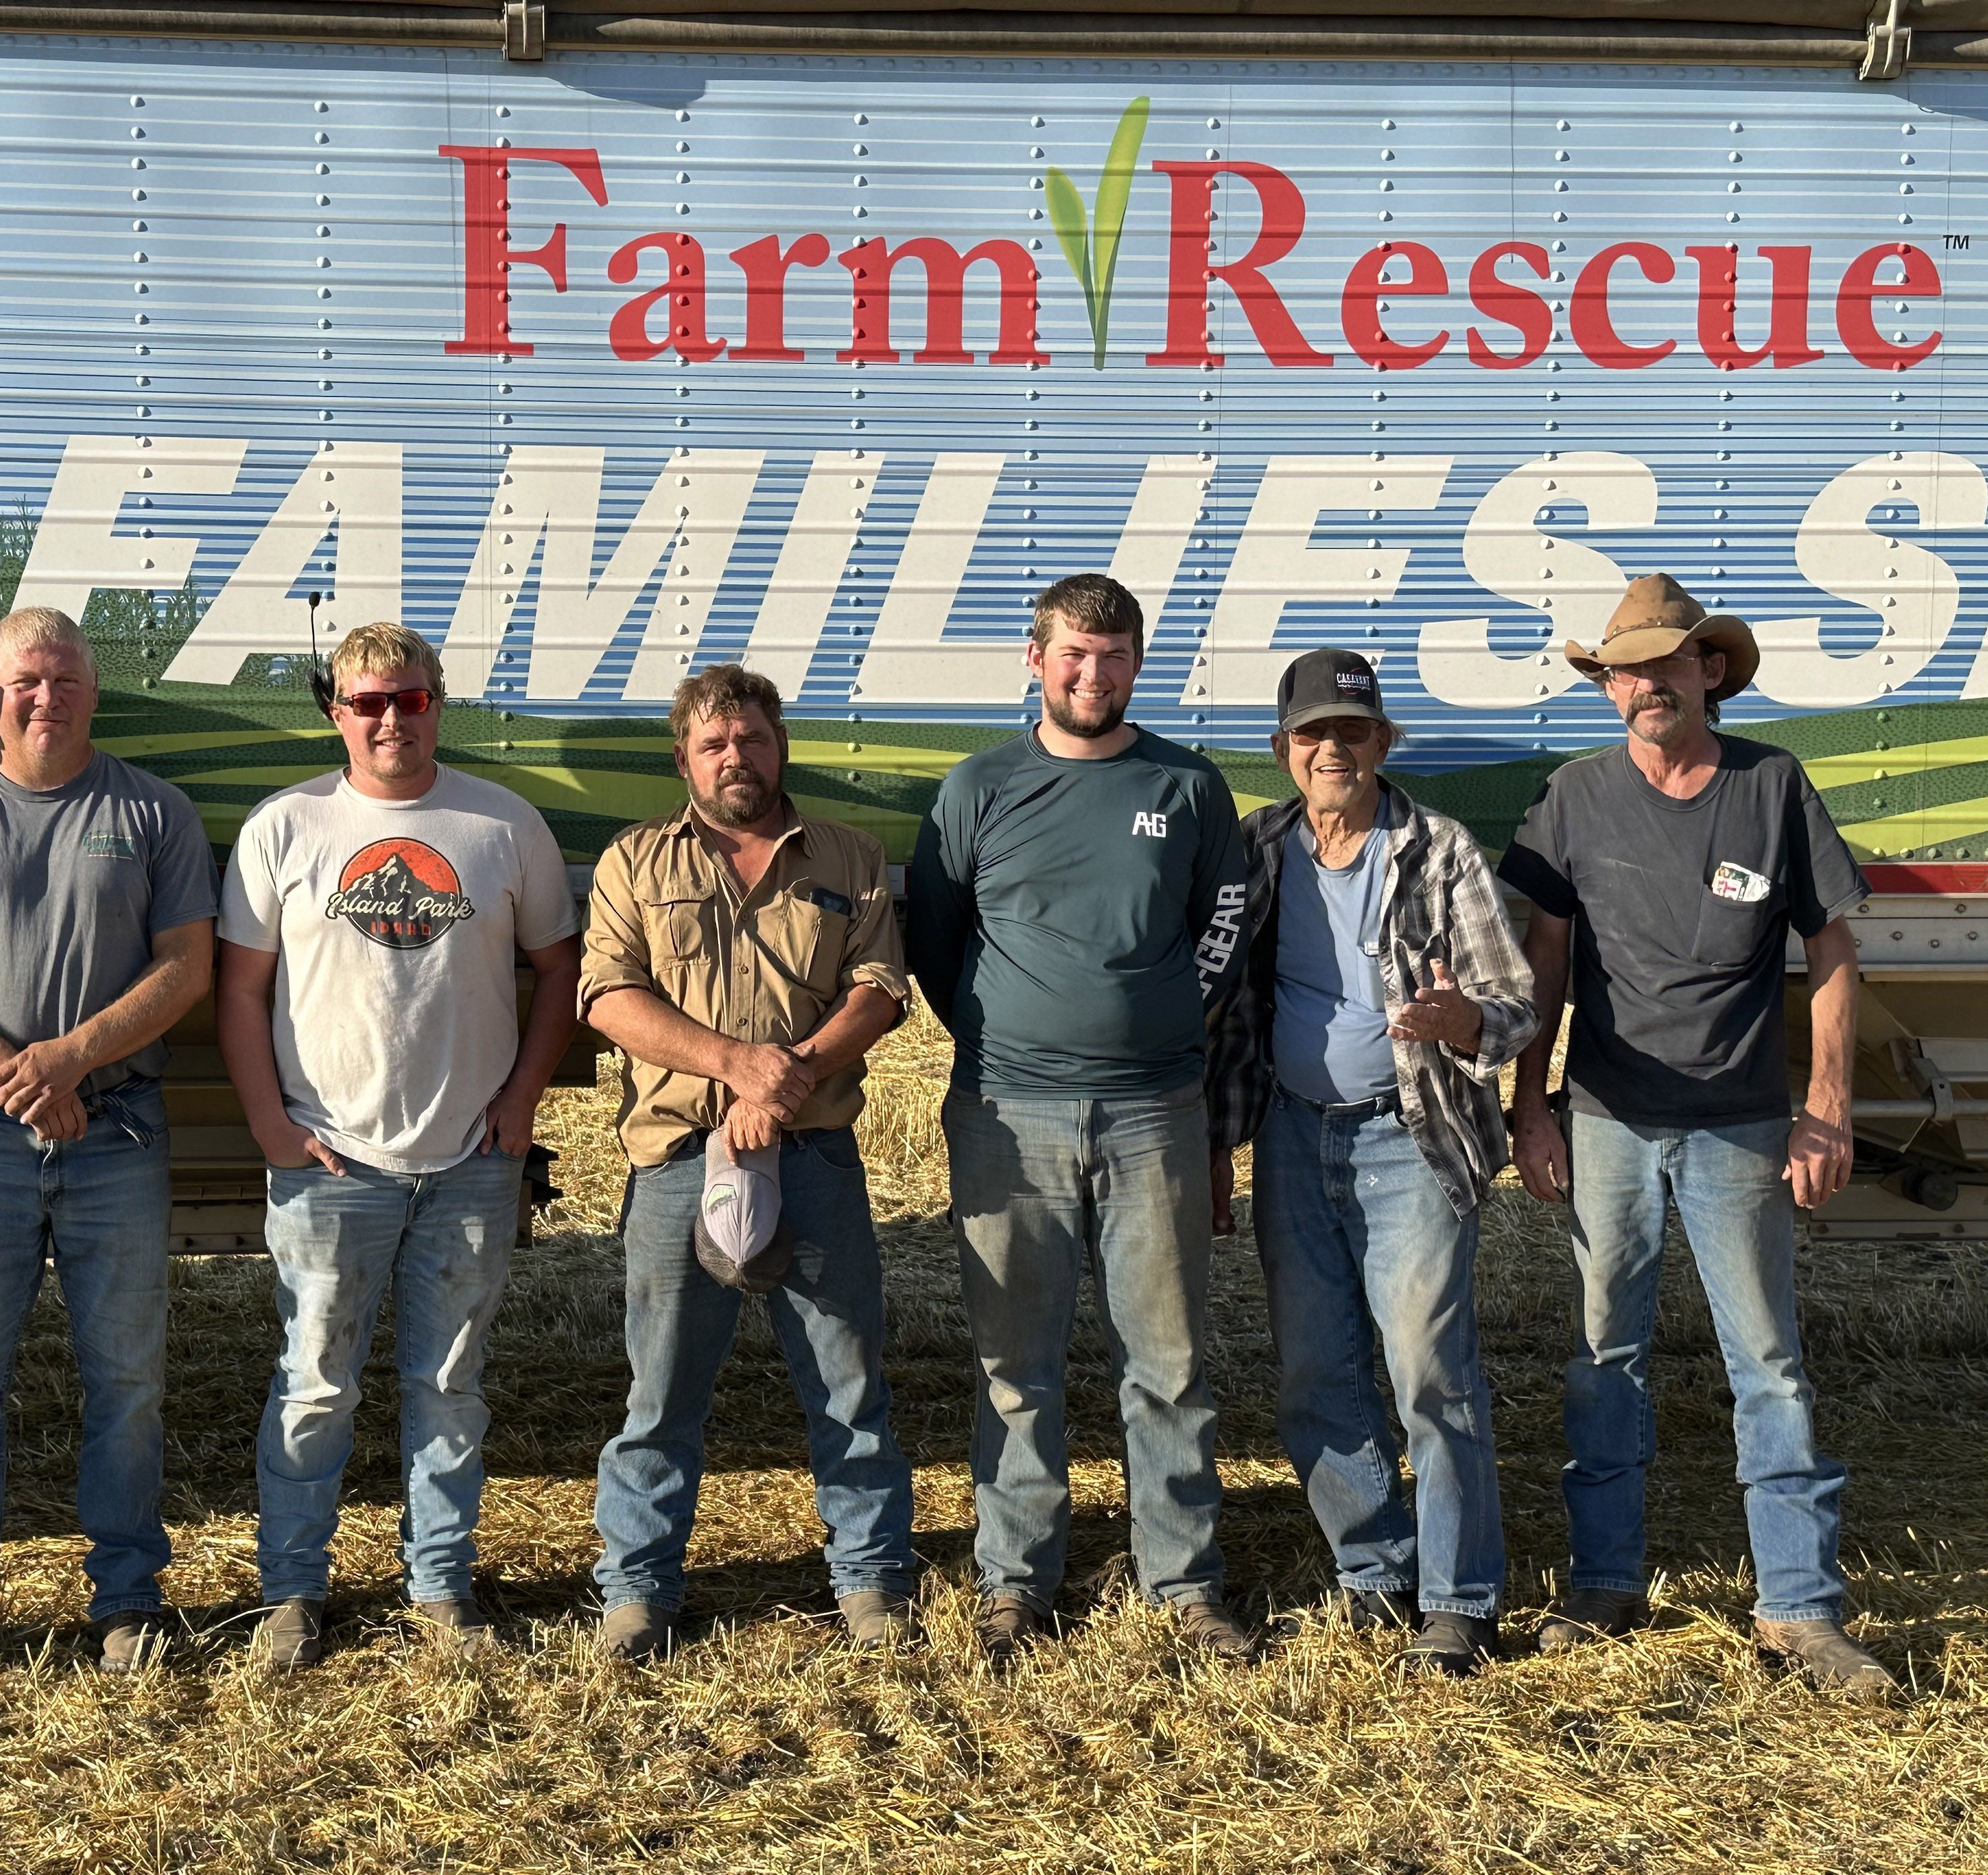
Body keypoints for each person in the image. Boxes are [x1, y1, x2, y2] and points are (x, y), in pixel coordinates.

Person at [1500, 573, 1895, 1700]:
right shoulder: (1573, 798)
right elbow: (1546, 968)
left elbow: (1832, 953)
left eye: (1666, 664)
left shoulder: (1770, 786)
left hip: (1738, 1125)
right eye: (1624, 669)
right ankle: (1604, 1583)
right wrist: (1531, 1106)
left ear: (1708, 672)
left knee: (1766, 1363)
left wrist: (1824, 1108)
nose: (1644, 686)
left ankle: (1800, 1610)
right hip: (1608, 1119)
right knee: (1602, 1359)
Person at [905, 573, 1259, 1667]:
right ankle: (1016, 1581)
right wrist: (1009, 1030)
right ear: (1035, 658)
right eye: (1072, 654)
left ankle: (1184, 1583)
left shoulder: (1188, 788)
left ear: (1136, 666)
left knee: (1168, 1360)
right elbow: (934, 934)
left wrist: (1152, 1021)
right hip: (1008, 1113)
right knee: (1018, 1361)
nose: (1091, 675)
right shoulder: (979, 788)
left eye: (1112, 658)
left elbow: (1226, 926)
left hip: (1156, 1109)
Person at [214, 622, 582, 1670]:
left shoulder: (502, 825)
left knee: (450, 1386)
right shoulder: (285, 828)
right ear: (334, 710)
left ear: (437, 704)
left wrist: (521, 1102)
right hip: (330, 1162)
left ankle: (439, 1583)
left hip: (468, 1161)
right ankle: (292, 1591)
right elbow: (238, 990)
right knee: (314, 1385)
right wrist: (267, 1123)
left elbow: (559, 970)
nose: (389, 720)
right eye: (367, 701)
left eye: (409, 700)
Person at [0, 609, 216, 1693]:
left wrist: (67, 1058)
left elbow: (186, 966)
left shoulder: (150, 812)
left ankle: (128, 1601)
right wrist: (11, 1076)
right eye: (25, 681)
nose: (45, 698)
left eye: (64, 679)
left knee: (129, 1385)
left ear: (93, 694)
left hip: (115, 1133)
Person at [1203, 649, 1542, 1677]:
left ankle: (1458, 1600)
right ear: (1283, 754)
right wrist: (1219, 1141)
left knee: (1430, 1374)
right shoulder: (1255, 849)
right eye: (1311, 736)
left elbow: (1518, 1005)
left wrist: (1463, 1017)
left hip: (1408, 1136)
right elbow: (1218, 1010)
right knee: (1315, 1373)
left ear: (1381, 743)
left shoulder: (1438, 851)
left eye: (1350, 733)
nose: (1331, 751)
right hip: (1294, 1137)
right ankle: (1374, 1578)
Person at [575, 663, 918, 1661]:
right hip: (680, 1158)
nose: (738, 757)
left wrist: (788, 1083)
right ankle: (638, 1591)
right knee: (661, 1393)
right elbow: (607, 996)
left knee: (848, 1385)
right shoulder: (635, 863)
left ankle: (871, 1581)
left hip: (813, 1154)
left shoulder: (849, 856)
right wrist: (736, 1071)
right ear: (683, 757)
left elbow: (881, 990)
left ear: (780, 747)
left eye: (754, 739)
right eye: (715, 744)